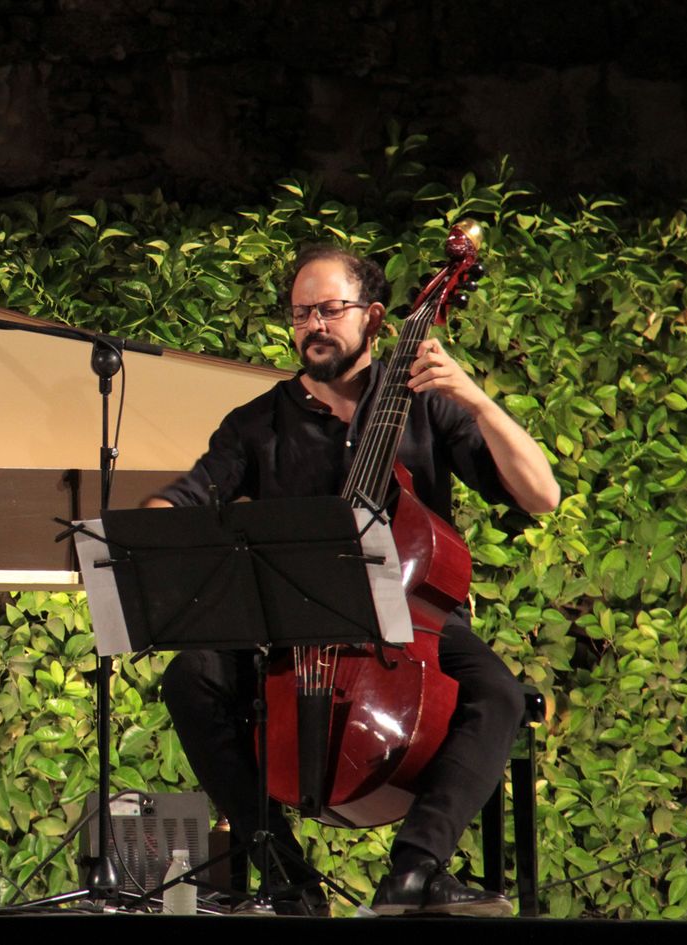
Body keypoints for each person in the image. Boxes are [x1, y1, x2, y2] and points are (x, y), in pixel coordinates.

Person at [147, 244, 560, 916]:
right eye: (301, 312)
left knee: (498, 694)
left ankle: (415, 870)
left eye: (329, 310)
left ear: (372, 315)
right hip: (292, 627)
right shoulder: (257, 424)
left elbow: (541, 495)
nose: (313, 324)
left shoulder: (426, 407)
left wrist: (473, 397)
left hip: (411, 623)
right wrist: (145, 531)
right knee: (189, 677)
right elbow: (191, 495)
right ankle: (282, 869)